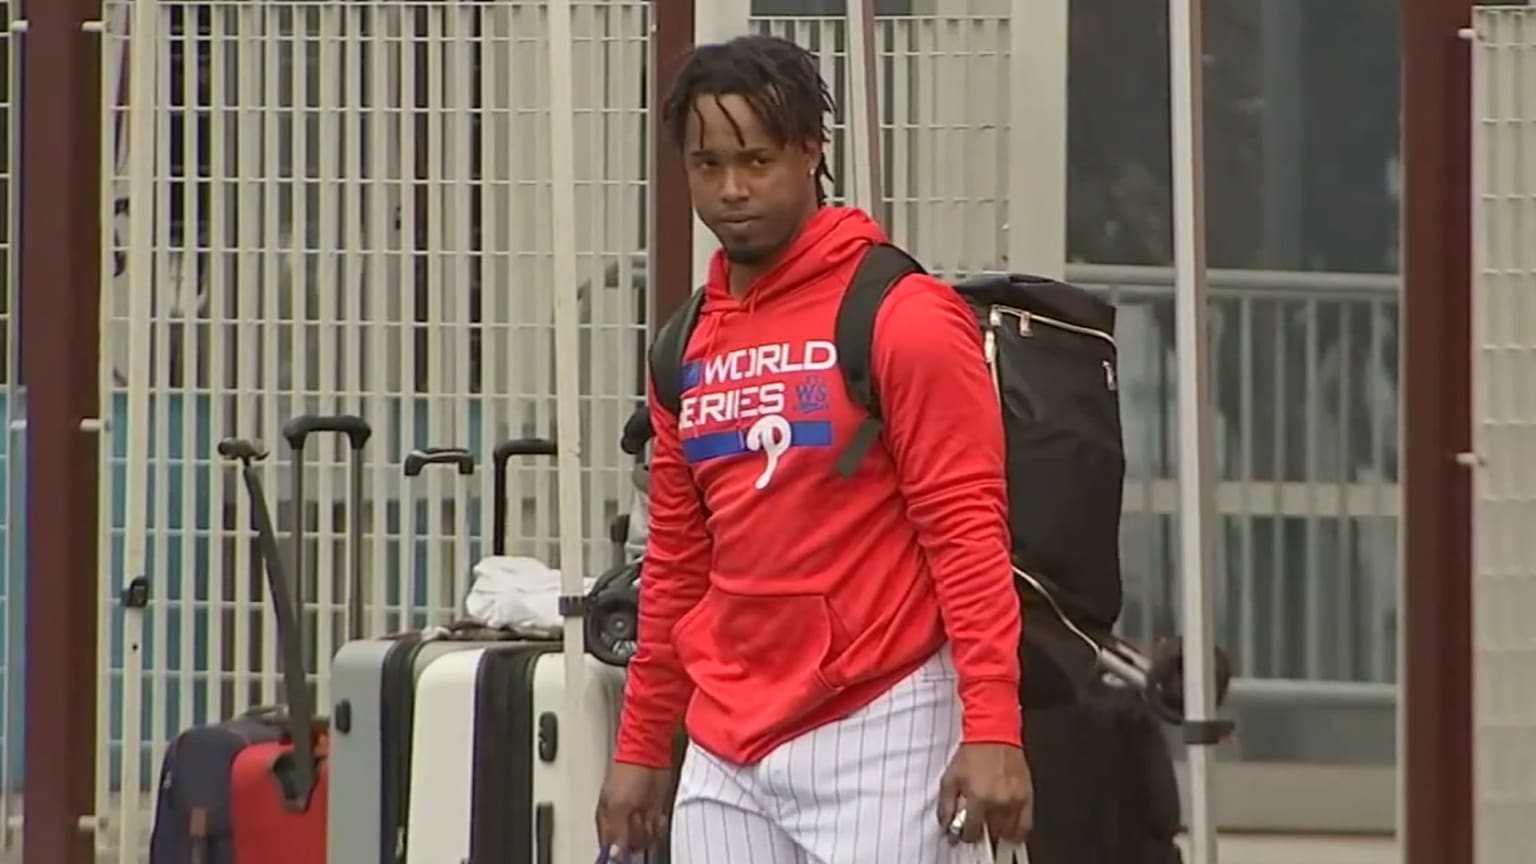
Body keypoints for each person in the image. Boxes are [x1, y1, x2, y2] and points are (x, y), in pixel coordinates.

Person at [596, 34, 1032, 862]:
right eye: (707, 164)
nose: (731, 190)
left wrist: (994, 726)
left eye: (756, 161)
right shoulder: (683, 346)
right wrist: (643, 746)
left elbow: (968, 534)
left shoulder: (904, 315)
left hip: (886, 717)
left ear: (810, 153)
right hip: (727, 743)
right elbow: (678, 565)